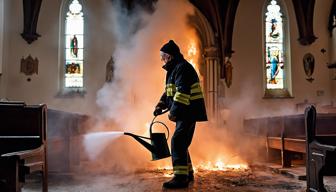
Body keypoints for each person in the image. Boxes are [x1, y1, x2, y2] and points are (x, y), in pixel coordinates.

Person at [153, 40, 207, 189]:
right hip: (186, 111)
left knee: (177, 142)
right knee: (182, 142)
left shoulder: (182, 68)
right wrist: (160, 105)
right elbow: (169, 92)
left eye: (162, 57)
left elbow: (182, 92)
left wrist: (173, 112)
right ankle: (188, 173)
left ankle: (180, 178)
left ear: (169, 56)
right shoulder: (174, 69)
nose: (162, 60)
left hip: (188, 111)